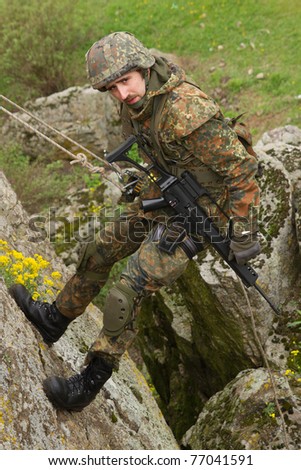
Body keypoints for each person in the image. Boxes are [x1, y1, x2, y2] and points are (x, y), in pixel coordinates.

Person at [9, 31, 261, 411]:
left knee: (128, 290)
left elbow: (242, 171)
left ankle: (89, 381)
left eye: (125, 82)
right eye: (111, 88)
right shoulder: (136, 103)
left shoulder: (186, 109)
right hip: (166, 196)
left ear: (143, 68)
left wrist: (241, 234)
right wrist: (139, 182)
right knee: (98, 250)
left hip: (201, 214)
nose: (122, 95)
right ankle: (54, 319)